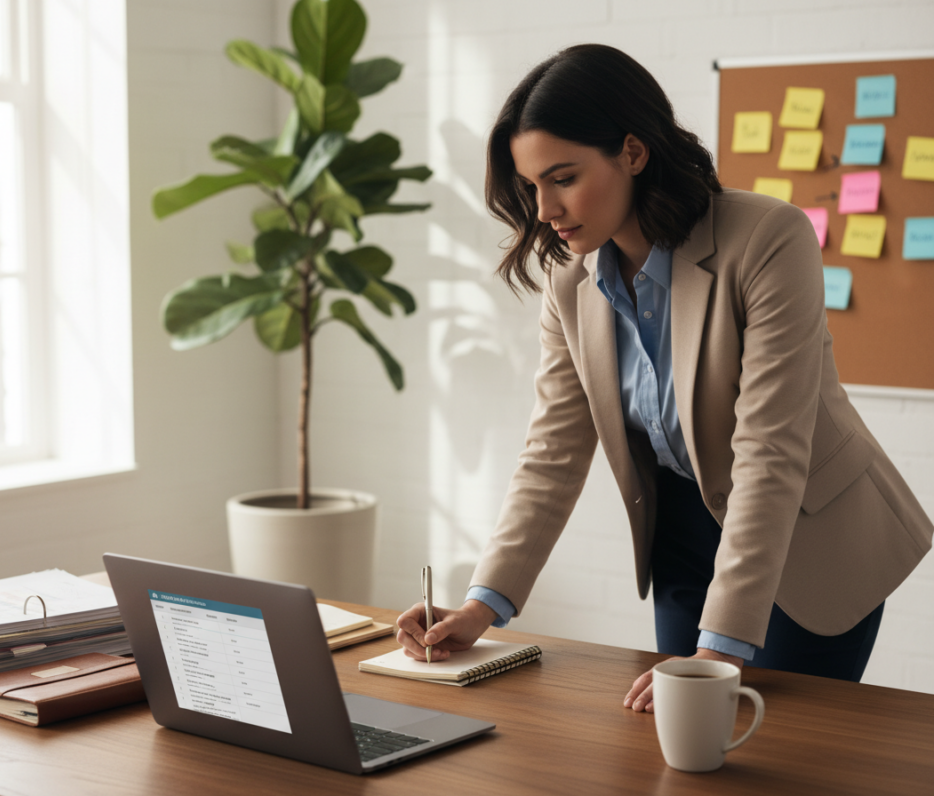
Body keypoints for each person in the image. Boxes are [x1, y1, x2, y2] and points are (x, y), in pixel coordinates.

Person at [396, 44, 933, 712]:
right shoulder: (572, 279)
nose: (544, 209)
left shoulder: (769, 238)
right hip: (683, 534)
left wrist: (717, 652)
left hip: (807, 535)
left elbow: (770, 451)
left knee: (785, 755)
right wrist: (482, 605)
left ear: (633, 151)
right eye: (532, 186)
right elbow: (552, 453)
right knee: (681, 743)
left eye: (563, 178)